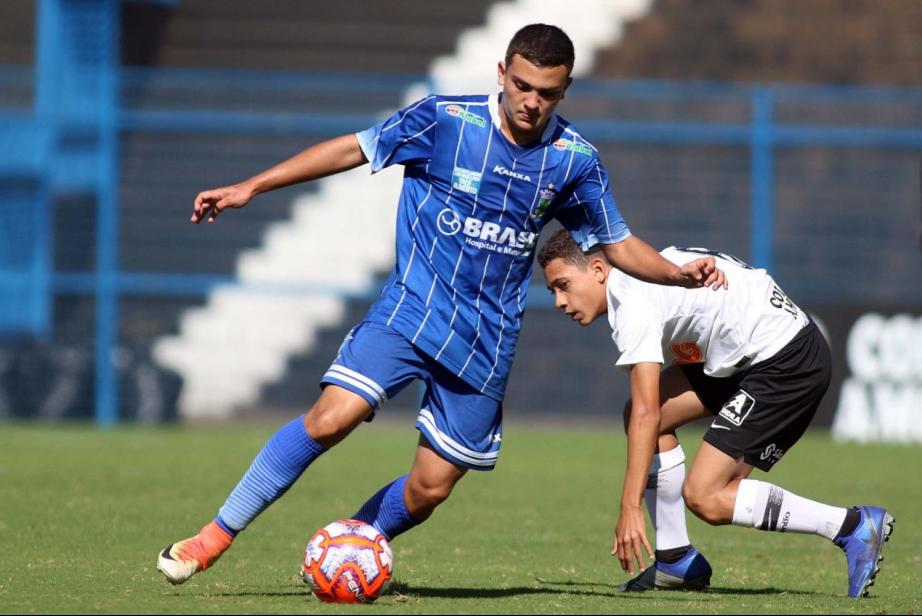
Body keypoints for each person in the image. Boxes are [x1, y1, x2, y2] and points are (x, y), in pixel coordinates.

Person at [156, 24, 727, 585]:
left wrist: (675, 275)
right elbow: (353, 149)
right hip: (413, 310)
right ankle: (212, 538)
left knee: (430, 486)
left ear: (565, 90)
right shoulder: (445, 120)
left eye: (547, 92)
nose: (531, 102)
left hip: (485, 341)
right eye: (522, 85)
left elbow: (617, 243)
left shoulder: (574, 160)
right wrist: (251, 187)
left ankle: (350, 548)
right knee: (331, 418)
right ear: (501, 72)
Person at [537, 229, 894, 599]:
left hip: (786, 359)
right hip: (740, 354)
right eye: (552, 291)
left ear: (598, 270)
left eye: (564, 285)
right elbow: (645, 413)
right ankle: (675, 560)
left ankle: (851, 526)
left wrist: (630, 507)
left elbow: (647, 412)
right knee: (644, 418)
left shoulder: (631, 300)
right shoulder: (639, 276)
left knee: (705, 496)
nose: (560, 301)